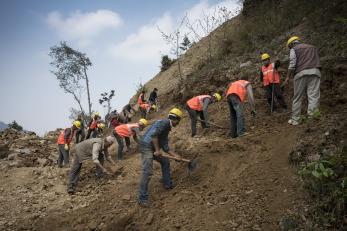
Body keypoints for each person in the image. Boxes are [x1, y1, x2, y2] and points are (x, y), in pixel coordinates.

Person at [138, 108, 183, 207]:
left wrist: (175, 156)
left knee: (165, 161)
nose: (178, 123)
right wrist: (157, 150)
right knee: (148, 171)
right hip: (146, 146)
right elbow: (154, 136)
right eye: (179, 121)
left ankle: (168, 184)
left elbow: (165, 145)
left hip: (152, 146)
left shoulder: (166, 125)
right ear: (175, 119)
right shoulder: (165, 123)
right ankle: (142, 198)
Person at [282, 36, 321, 125]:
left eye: (289, 47)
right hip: (315, 72)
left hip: (301, 73)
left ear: (291, 44)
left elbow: (292, 64)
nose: (290, 48)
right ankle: (313, 118)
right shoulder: (312, 47)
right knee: (313, 96)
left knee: (297, 97)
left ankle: (296, 119)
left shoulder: (294, 49)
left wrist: (288, 77)